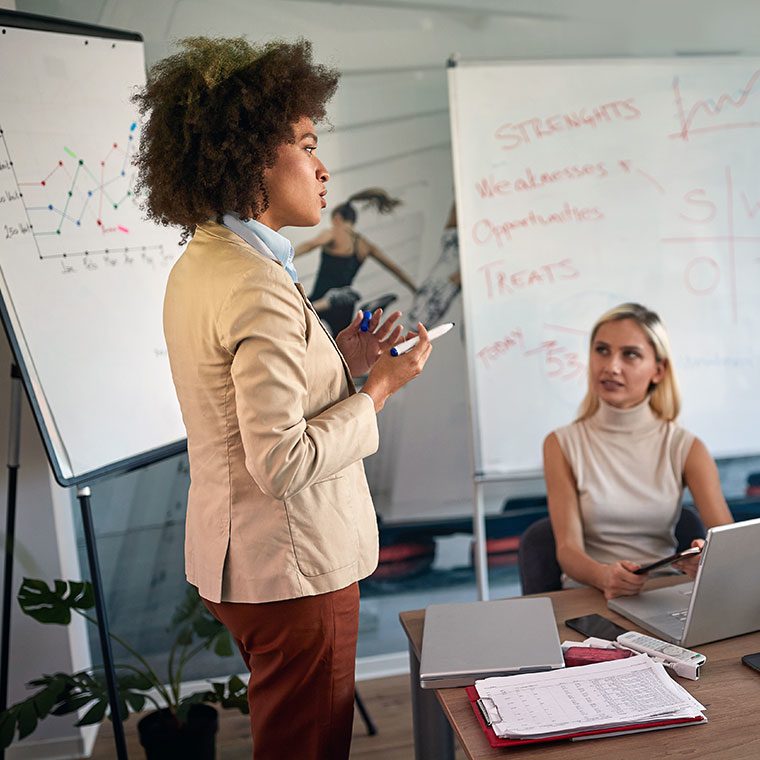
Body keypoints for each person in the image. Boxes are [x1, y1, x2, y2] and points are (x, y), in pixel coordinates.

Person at [133, 37, 432, 760]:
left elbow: (244, 398)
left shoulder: (206, 262)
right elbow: (282, 461)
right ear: (251, 161)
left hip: (239, 562)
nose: (324, 167)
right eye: (305, 144)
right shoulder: (256, 284)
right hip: (295, 572)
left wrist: (342, 360)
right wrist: (378, 392)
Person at [543, 303, 732, 600]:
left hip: (665, 592)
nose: (611, 366)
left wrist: (706, 561)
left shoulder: (686, 447)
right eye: (602, 350)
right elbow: (567, 550)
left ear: (659, 370)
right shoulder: (561, 443)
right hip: (590, 594)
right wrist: (603, 576)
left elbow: (729, 542)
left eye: (630, 354)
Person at [295, 188, 417, 334]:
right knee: (339, 347)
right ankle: (365, 312)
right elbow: (395, 269)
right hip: (345, 305)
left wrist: (286, 255)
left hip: (322, 299)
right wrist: (415, 289)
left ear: (337, 218)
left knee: (299, 326)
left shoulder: (334, 232)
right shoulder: (365, 244)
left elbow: (310, 245)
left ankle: (362, 312)